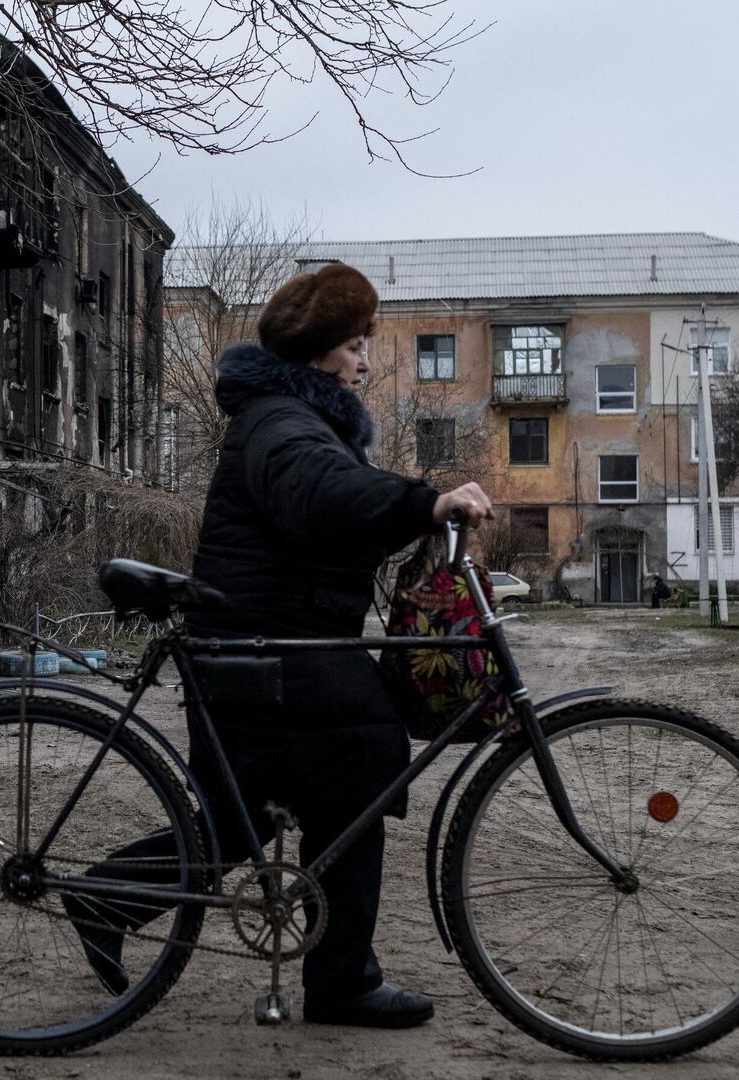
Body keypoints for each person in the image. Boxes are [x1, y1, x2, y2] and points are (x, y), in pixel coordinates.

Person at [66, 263, 493, 1029]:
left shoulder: (288, 417)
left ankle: (108, 900)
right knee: (355, 755)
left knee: (240, 819)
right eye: (360, 345)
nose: (366, 361)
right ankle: (342, 983)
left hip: (262, 648)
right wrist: (426, 502)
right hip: (258, 658)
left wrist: (409, 509)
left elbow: (332, 493)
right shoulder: (281, 424)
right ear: (328, 350)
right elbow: (323, 496)